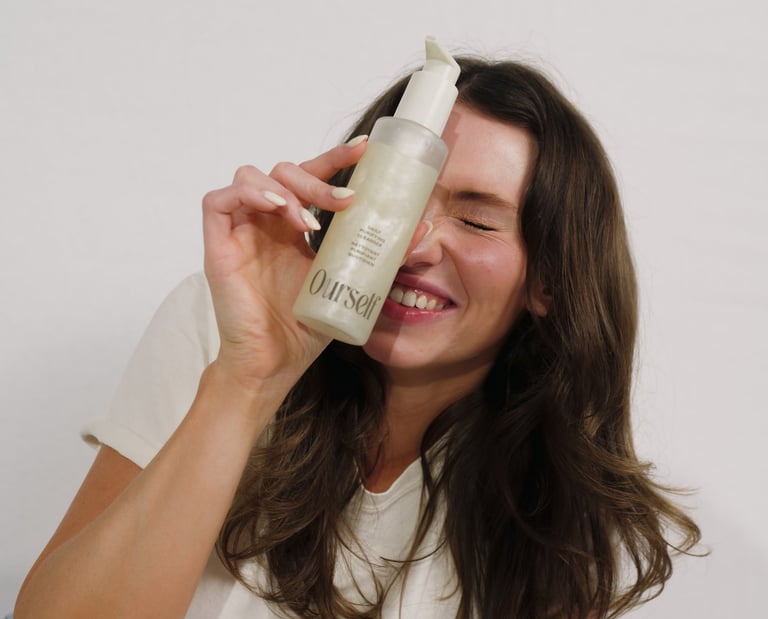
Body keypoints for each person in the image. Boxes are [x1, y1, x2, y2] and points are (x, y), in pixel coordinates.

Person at [14, 55, 700, 619]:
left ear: (548, 280)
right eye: (393, 197)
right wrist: (248, 379)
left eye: (478, 220)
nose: (411, 243)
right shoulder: (219, 327)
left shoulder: (563, 512)